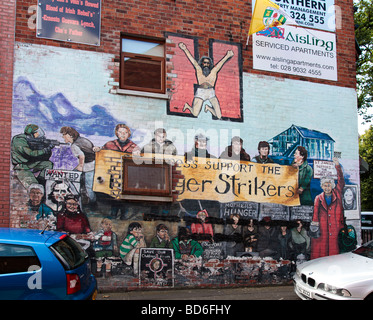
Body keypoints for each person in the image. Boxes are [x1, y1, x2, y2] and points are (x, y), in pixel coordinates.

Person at [178, 42, 234, 119]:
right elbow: (193, 61)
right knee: (195, 113)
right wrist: (185, 49)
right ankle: (188, 106)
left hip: (211, 92)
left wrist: (227, 56)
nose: (206, 64)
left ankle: (208, 108)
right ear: (202, 63)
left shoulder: (213, 72)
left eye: (208, 63)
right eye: (204, 63)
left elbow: (220, 64)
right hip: (201, 92)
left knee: (219, 115)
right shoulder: (199, 71)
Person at [311, 158, 345, 259]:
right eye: (325, 185)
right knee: (320, 252)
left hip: (335, 229)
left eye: (329, 185)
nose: (327, 187)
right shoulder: (318, 198)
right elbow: (315, 214)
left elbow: (341, 180)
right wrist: (315, 226)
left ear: (332, 186)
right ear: (322, 186)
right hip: (322, 229)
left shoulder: (337, 194)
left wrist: (337, 166)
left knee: (334, 253)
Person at [60, 126, 97, 207]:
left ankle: (91, 203)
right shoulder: (83, 140)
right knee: (89, 186)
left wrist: (80, 166)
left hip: (88, 167)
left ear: (70, 135)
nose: (63, 137)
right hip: (94, 164)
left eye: (64, 135)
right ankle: (91, 202)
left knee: (88, 187)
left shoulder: (74, 145)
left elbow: (81, 156)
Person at [11, 124, 54, 189]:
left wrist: (46, 147)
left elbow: (44, 157)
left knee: (48, 164)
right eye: (37, 133)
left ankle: (41, 181)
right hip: (21, 166)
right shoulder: (19, 140)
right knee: (35, 187)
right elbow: (30, 153)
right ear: (31, 133)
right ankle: (37, 185)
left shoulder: (32, 140)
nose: (38, 135)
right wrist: (44, 150)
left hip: (29, 163)